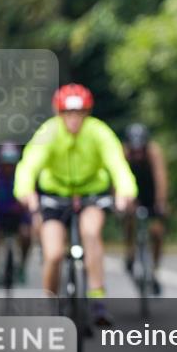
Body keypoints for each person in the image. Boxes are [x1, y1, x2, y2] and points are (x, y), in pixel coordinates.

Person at [13, 83, 137, 325]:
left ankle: (97, 300)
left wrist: (125, 192)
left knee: (91, 233)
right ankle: (49, 305)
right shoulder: (48, 132)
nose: (74, 119)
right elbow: (29, 164)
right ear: (59, 114)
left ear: (87, 113)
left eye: (79, 113)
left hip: (91, 194)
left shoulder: (99, 132)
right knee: (54, 253)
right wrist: (26, 191)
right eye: (68, 114)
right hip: (54, 196)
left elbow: (118, 164)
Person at [122, 123, 169, 295]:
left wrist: (161, 202)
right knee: (129, 220)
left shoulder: (154, 152)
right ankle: (129, 252)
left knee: (157, 232)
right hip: (130, 192)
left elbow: (160, 178)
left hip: (150, 193)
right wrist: (122, 200)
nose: (138, 154)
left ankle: (154, 270)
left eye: (141, 150)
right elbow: (117, 177)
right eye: (135, 151)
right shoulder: (124, 153)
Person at [0, 142, 32, 285]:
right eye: (6, 163)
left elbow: (28, 194)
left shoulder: (23, 172)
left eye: (11, 163)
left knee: (27, 235)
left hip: (19, 213)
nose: (9, 167)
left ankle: (22, 266)